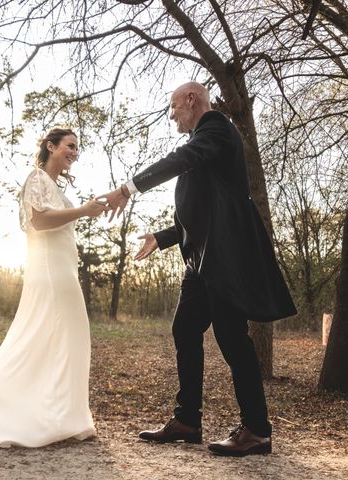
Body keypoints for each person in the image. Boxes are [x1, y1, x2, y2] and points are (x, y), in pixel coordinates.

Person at [100, 82, 297, 456]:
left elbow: (183, 161)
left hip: (224, 259)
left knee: (232, 339)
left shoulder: (216, 129)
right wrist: (163, 236)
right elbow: (205, 212)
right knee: (185, 328)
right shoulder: (204, 144)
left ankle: (256, 430)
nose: (171, 114)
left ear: (191, 100)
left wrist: (127, 189)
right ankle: (187, 420)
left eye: (173, 106)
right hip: (200, 260)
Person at [0, 127, 106, 448]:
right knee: (42, 337)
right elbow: (39, 220)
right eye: (69, 146)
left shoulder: (52, 184)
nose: (75, 152)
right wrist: (83, 211)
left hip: (63, 270)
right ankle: (3, 414)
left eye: (77, 148)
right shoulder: (36, 178)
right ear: (51, 146)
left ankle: (62, 417)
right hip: (50, 273)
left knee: (66, 341)